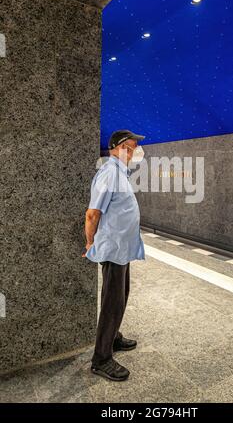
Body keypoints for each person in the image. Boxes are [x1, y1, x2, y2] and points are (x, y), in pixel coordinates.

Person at [82, 129, 146, 381]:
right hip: (113, 249)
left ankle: (113, 338)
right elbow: (92, 214)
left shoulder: (120, 173)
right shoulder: (109, 173)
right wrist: (90, 243)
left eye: (134, 148)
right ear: (117, 148)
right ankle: (101, 359)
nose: (133, 152)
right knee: (112, 302)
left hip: (123, 249)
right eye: (129, 147)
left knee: (120, 296)